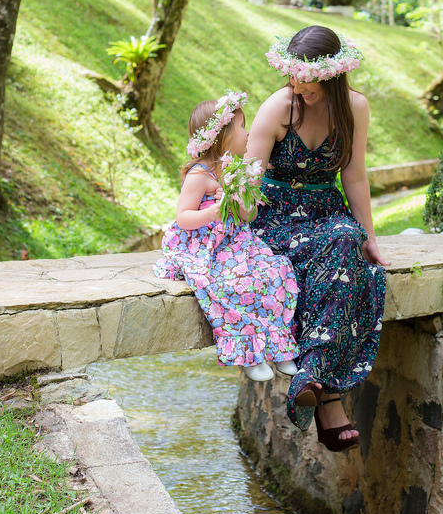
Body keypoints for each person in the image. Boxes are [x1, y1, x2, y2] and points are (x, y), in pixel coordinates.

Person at [246, 25, 389, 452]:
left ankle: (311, 376)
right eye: (294, 77)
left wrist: (371, 236)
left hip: (325, 210)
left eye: (309, 81)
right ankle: (327, 396)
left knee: (347, 241)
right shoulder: (279, 108)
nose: (299, 87)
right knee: (333, 251)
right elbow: (246, 185)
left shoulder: (354, 108)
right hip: (273, 216)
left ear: (332, 75)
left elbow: (355, 176)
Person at [154, 90, 301, 382]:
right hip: (206, 245)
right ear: (222, 136)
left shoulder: (236, 171)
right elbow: (183, 217)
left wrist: (240, 203)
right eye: (242, 127)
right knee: (233, 283)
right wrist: (215, 212)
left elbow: (247, 217)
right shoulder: (201, 175)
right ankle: (247, 354)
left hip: (237, 241)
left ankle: (279, 347)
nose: (248, 133)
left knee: (274, 271)